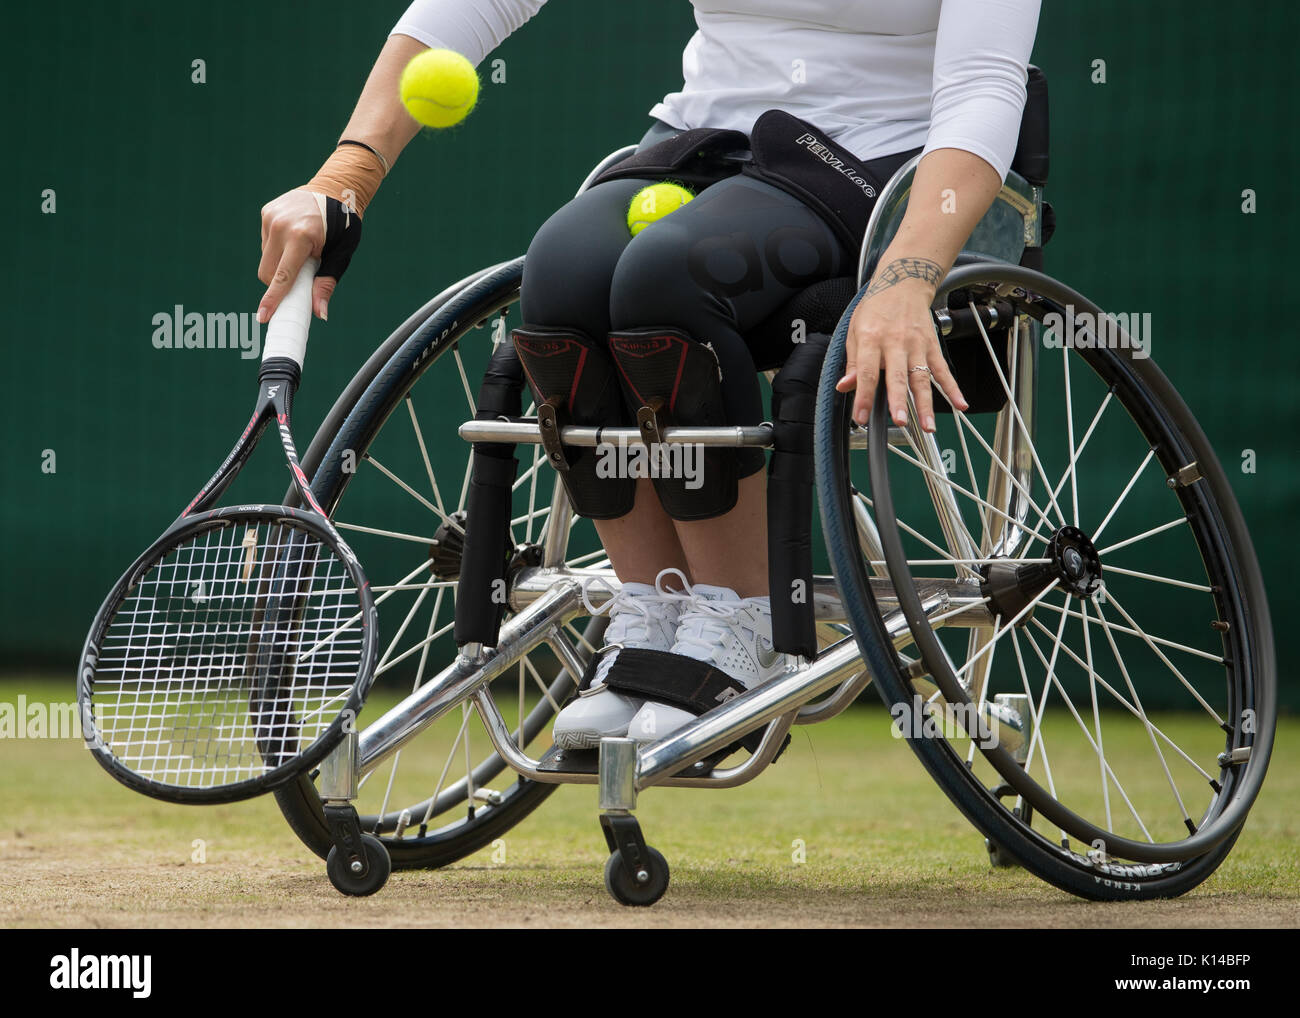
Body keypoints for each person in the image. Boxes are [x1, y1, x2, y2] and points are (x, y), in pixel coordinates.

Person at [257, 0, 1042, 750]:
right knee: (559, 277)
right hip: (701, 150)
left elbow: (984, 88)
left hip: (880, 177)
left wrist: (907, 273)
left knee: (667, 281)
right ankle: (655, 610)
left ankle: (744, 615)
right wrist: (346, 177)